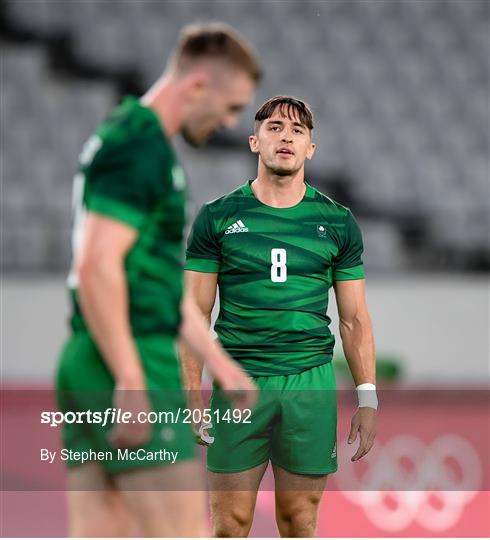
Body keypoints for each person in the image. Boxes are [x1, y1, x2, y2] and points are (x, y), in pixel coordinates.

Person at [56, 23, 261, 537]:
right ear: (196, 86)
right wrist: (130, 376)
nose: (231, 122)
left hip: (90, 355)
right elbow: (97, 266)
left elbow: (155, 282)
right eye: (231, 107)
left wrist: (220, 366)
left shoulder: (133, 138)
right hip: (132, 357)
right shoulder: (141, 145)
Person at [182, 95, 377, 537]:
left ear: (311, 148)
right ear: (254, 142)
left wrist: (367, 397)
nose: (285, 136)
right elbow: (195, 310)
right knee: (229, 525)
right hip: (239, 381)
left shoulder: (338, 222)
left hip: (308, 383)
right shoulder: (217, 217)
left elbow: (354, 320)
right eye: (274, 128)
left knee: (300, 520)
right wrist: (190, 390)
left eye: (297, 131)